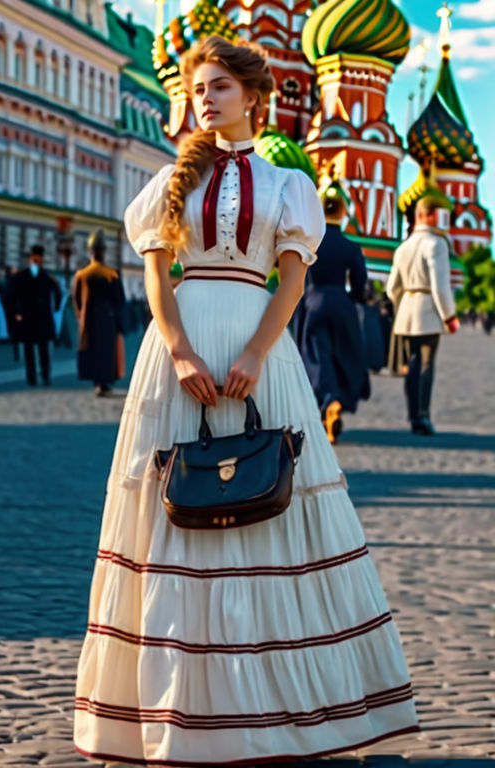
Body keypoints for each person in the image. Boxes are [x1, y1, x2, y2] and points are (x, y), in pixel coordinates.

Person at [73, 35, 418, 767]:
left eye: (221, 86)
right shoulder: (169, 179)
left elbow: (290, 281)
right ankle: (177, 713)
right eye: (201, 87)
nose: (206, 97)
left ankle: (269, 711)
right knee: (173, 511)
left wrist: (259, 351)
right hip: (182, 351)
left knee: (272, 507)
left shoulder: (287, 185)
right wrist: (178, 350)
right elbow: (159, 280)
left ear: (254, 97)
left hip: (260, 349)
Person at [294, 183, 370, 444]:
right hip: (342, 303)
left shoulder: (312, 242)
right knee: (342, 355)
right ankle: (337, 401)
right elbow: (360, 282)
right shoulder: (351, 247)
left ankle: (328, 401)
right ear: (343, 211)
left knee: (317, 355)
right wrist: (355, 298)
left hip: (313, 301)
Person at [386, 195, 459, 435]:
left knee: (412, 364)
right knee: (427, 365)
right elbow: (440, 286)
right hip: (427, 309)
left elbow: (391, 288)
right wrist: (449, 315)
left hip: (406, 310)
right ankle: (423, 416)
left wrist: (402, 304)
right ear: (426, 215)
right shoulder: (436, 244)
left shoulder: (403, 247)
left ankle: (412, 414)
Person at [73, 228, 126, 397]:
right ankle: (105, 383)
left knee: (93, 351)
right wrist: (120, 323)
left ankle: (98, 382)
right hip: (108, 320)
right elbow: (120, 300)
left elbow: (76, 299)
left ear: (91, 253)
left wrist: (80, 316)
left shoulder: (82, 274)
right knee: (107, 352)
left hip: (89, 320)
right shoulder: (111, 274)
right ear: (103, 253)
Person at [9, 245, 61, 386]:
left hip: (43, 317)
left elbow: (58, 292)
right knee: (29, 351)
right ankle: (31, 376)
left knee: (44, 350)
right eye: (34, 257)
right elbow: (11, 296)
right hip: (28, 317)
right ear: (31, 259)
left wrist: (55, 307)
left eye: (39, 257)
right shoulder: (21, 277)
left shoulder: (47, 276)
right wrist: (16, 312)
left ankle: (45, 374)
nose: (37, 260)